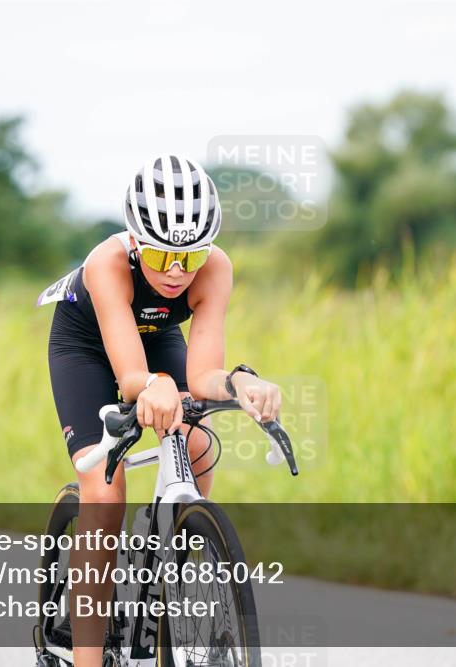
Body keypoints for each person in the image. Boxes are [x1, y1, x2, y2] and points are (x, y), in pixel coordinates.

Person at [40, 154, 282, 667]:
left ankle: (177, 551)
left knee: (196, 442)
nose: (176, 271)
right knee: (105, 493)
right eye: (162, 256)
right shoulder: (107, 262)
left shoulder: (215, 268)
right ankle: (85, 656)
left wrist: (242, 382)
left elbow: (203, 376)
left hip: (156, 338)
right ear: (136, 241)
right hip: (86, 345)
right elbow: (130, 378)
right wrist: (151, 385)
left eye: (190, 257)